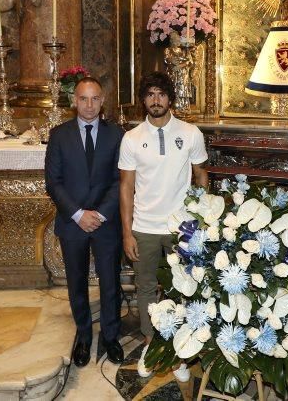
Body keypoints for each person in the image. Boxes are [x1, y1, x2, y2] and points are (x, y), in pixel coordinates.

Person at [119, 71, 208, 380]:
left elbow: (201, 175)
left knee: (183, 289)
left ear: (170, 98)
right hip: (144, 228)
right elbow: (126, 187)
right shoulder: (131, 138)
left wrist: (200, 217)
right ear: (143, 100)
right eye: (150, 94)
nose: (155, 100)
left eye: (161, 94)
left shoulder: (191, 132)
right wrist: (127, 231)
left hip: (180, 228)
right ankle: (150, 344)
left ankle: (181, 353)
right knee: (145, 288)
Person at [45, 76, 124, 367]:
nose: (89, 105)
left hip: (107, 222)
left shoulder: (116, 134)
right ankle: (84, 336)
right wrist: (78, 214)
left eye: (94, 99)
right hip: (72, 221)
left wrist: (101, 213)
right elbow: (53, 183)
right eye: (83, 98)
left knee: (110, 281)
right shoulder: (59, 135)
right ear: (74, 101)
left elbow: (121, 180)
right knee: (76, 282)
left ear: (102, 101)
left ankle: (111, 336)